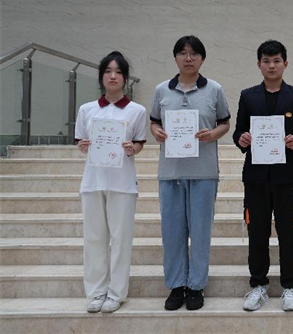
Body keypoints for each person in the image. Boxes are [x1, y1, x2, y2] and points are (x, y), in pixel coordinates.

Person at [150, 36, 231, 311]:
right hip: (170, 172)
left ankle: (196, 286)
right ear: (175, 58)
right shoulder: (162, 90)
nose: (188, 58)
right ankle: (176, 285)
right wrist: (157, 133)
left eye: (194, 53)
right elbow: (154, 121)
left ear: (202, 59)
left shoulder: (214, 89)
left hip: (204, 172)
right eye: (183, 53)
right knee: (172, 232)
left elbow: (225, 123)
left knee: (200, 231)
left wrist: (212, 134)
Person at [234, 40, 293, 312]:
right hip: (256, 177)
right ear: (259, 64)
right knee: (257, 231)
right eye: (266, 61)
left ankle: (290, 287)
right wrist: (242, 139)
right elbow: (238, 131)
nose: (271, 66)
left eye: (276, 60)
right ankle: (258, 285)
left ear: (285, 63)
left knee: (289, 232)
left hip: (286, 176)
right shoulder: (248, 96)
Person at [75, 51, 147, 313]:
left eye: (118, 72)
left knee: (120, 239)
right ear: (101, 77)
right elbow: (81, 142)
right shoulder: (87, 109)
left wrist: (131, 149)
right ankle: (96, 292)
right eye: (108, 71)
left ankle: (117, 293)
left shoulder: (137, 111)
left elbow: (139, 144)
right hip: (93, 181)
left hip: (123, 183)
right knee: (94, 239)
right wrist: (83, 146)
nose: (113, 76)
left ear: (125, 78)